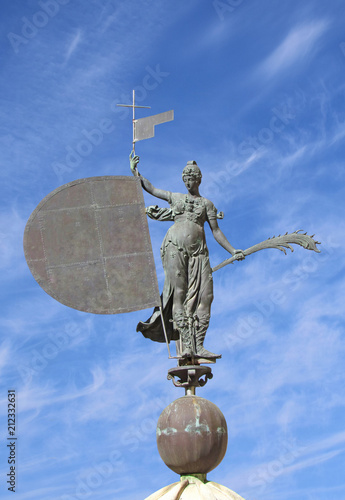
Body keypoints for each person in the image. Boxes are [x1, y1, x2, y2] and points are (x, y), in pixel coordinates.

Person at [130, 151, 244, 359]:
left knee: (206, 296)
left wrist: (232, 250)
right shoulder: (176, 197)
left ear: (199, 179)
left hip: (200, 252)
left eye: (192, 178)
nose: (188, 182)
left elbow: (216, 231)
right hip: (175, 247)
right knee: (179, 295)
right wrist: (137, 172)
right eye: (186, 179)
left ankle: (199, 344)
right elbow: (153, 189)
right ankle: (187, 345)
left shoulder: (207, 204)